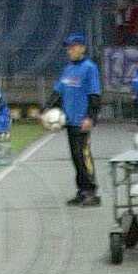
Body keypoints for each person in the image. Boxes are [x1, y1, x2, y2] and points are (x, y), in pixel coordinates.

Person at [53, 33, 102, 203]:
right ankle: (82, 189)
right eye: (68, 48)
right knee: (75, 156)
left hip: (82, 121)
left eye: (73, 47)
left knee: (84, 155)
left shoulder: (89, 68)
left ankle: (92, 190)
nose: (70, 51)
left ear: (82, 48)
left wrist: (90, 117)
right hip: (70, 121)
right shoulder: (68, 69)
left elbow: (94, 94)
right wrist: (46, 110)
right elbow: (59, 93)